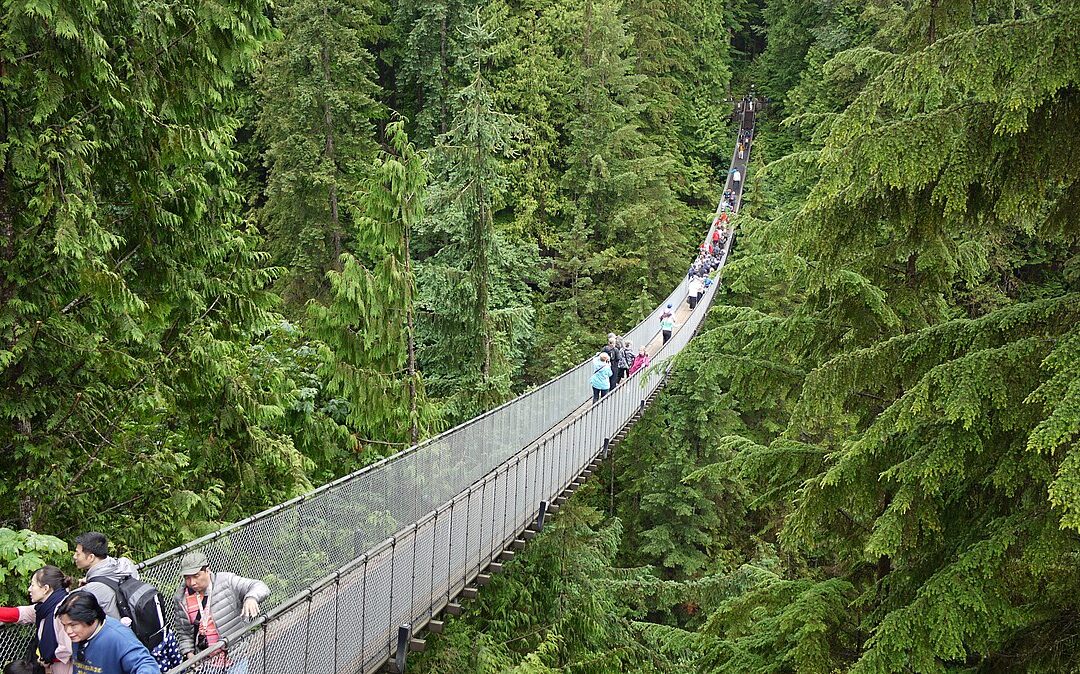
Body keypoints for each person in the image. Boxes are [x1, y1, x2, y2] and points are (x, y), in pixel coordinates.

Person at [173, 550, 270, 665]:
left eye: (196, 576)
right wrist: (190, 655)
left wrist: (251, 598)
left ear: (207, 571)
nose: (192, 582)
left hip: (235, 656)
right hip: (205, 664)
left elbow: (260, 586)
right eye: (187, 578)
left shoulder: (226, 581)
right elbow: (184, 633)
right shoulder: (181, 599)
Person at [55, 593, 159, 674]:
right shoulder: (79, 636)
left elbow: (145, 664)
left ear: (90, 618)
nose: (68, 631)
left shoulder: (119, 637)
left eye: (73, 625)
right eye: (64, 625)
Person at [0, 566, 74, 674]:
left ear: (45, 589)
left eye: (33, 585)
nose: (29, 589)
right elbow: (24, 613)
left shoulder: (63, 612)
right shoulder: (47, 607)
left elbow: (67, 649)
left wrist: (47, 659)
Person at [72, 532, 140, 620]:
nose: (74, 556)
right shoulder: (125, 564)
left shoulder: (92, 589)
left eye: (78, 553)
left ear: (91, 557)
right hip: (136, 621)